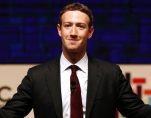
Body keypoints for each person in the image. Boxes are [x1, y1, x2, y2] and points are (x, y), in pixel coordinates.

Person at [0, 2, 151, 118]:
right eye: (67, 26)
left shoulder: (110, 74)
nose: (73, 32)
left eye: (80, 26)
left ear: (90, 32)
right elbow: (10, 114)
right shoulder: (37, 76)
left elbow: (137, 111)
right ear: (59, 30)